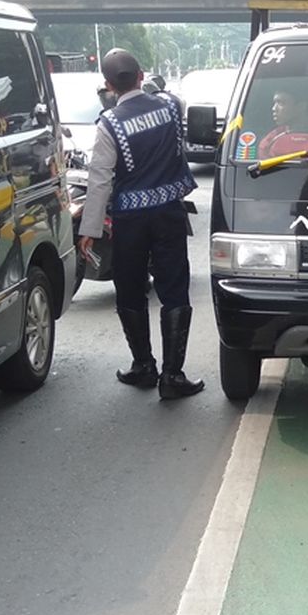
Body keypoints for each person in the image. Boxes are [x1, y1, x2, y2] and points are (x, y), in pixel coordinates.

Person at [77, 48, 204, 399]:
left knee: (130, 287)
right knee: (174, 287)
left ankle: (143, 366)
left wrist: (89, 230)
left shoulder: (109, 123)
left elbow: (99, 178)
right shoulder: (169, 107)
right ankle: (173, 376)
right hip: (169, 212)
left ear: (107, 85)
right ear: (142, 75)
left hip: (129, 219)